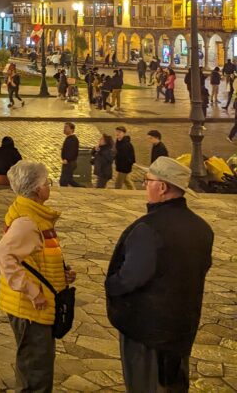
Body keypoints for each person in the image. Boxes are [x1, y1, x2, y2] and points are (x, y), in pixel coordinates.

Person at [105, 157, 214, 392]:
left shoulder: (149, 229)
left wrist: (111, 284)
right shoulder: (202, 228)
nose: (145, 185)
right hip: (181, 327)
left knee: (147, 385)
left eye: (148, 181)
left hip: (147, 331)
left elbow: (130, 278)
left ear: (162, 187)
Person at [0, 161, 76, 393]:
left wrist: (62, 272)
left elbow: (35, 258)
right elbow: (1, 256)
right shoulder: (28, 222)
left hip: (34, 307)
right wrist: (32, 291)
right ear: (38, 189)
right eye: (47, 182)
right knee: (35, 374)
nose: (49, 186)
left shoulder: (33, 215)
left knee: (34, 367)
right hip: (31, 309)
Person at [59, 122, 80, 187]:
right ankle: (82, 188)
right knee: (68, 180)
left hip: (69, 163)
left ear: (71, 130)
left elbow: (72, 151)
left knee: (63, 181)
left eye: (66, 127)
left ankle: (82, 188)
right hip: (68, 162)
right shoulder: (69, 138)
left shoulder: (73, 139)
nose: (64, 129)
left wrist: (67, 159)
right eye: (64, 127)